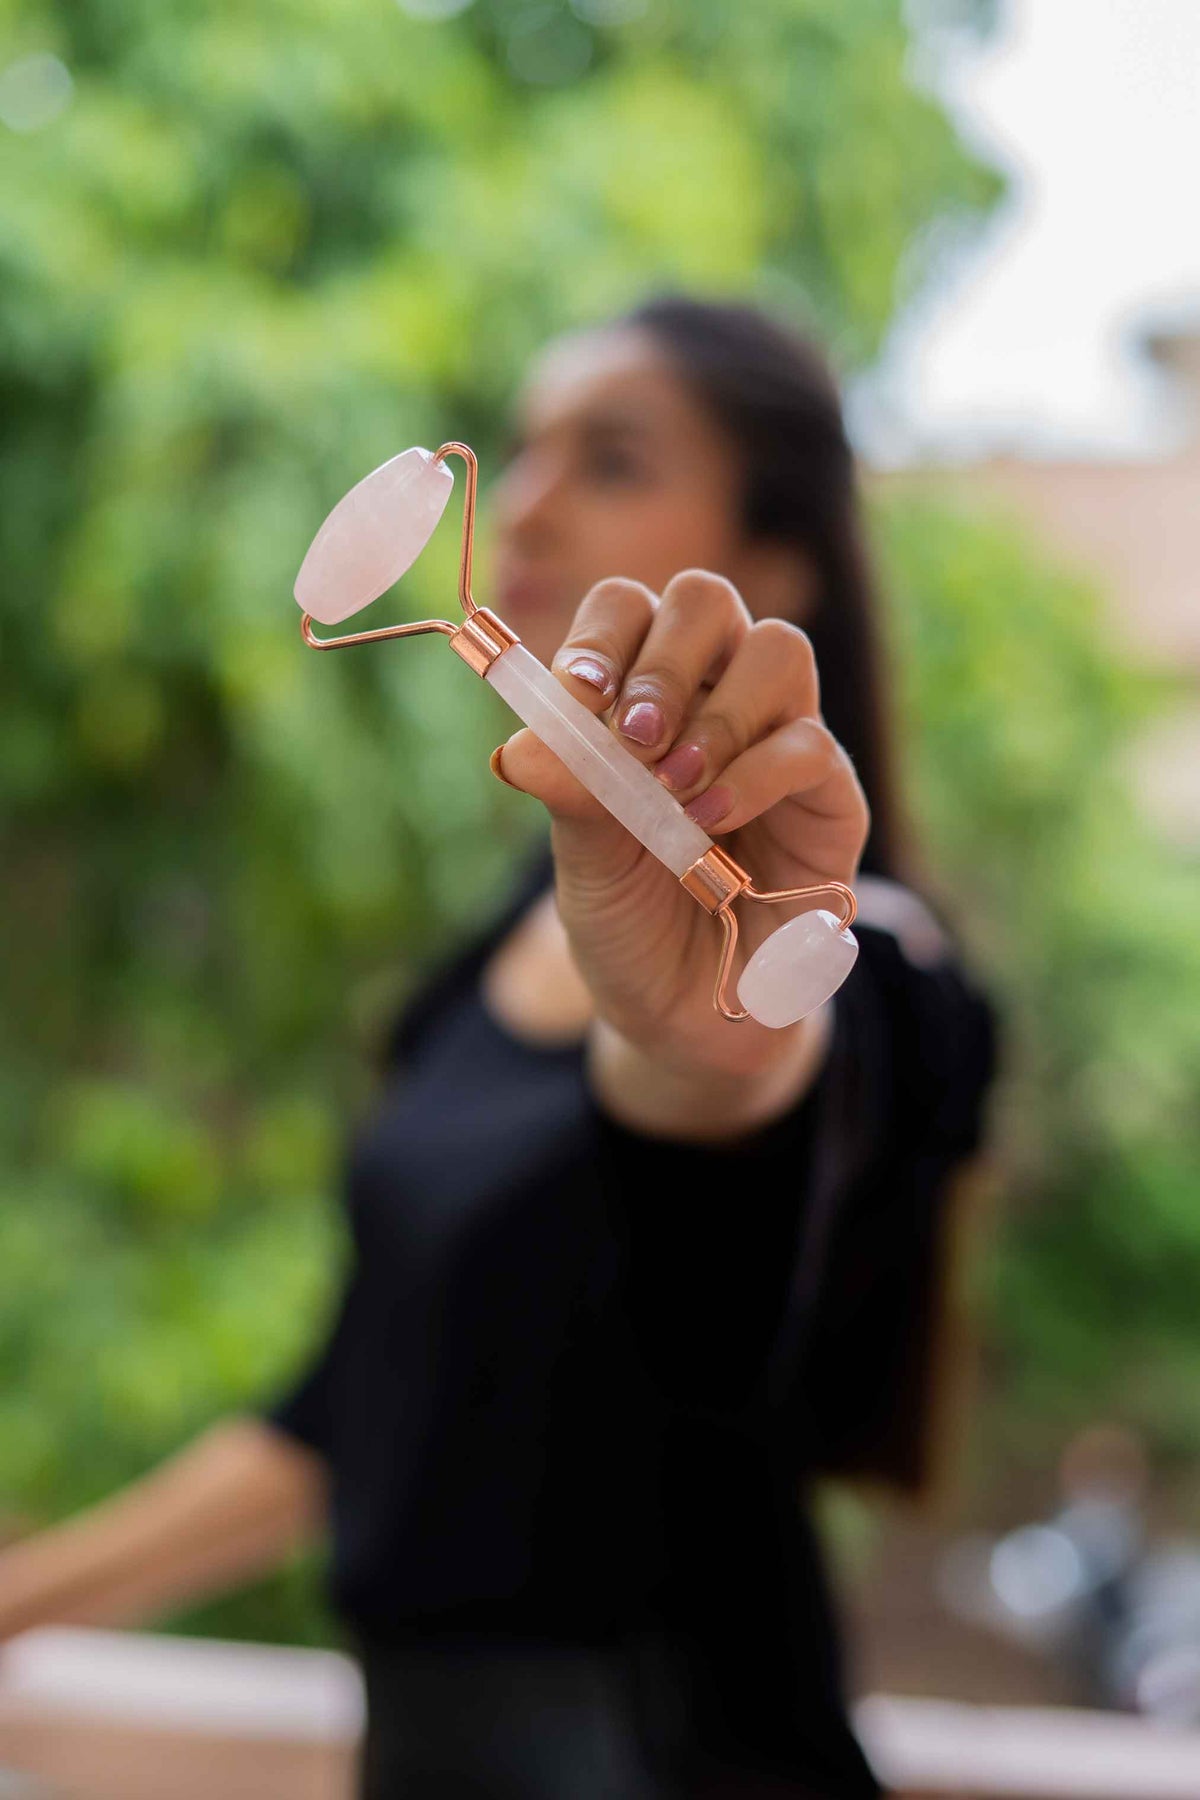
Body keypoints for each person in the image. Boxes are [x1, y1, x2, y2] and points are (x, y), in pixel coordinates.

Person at [0, 292, 1000, 1798]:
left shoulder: (874, 967)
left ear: (776, 569)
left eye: (611, 460)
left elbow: (748, 1084)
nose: (526, 504)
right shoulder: (488, 964)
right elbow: (353, 1417)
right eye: (522, 453)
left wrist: (713, 1033)